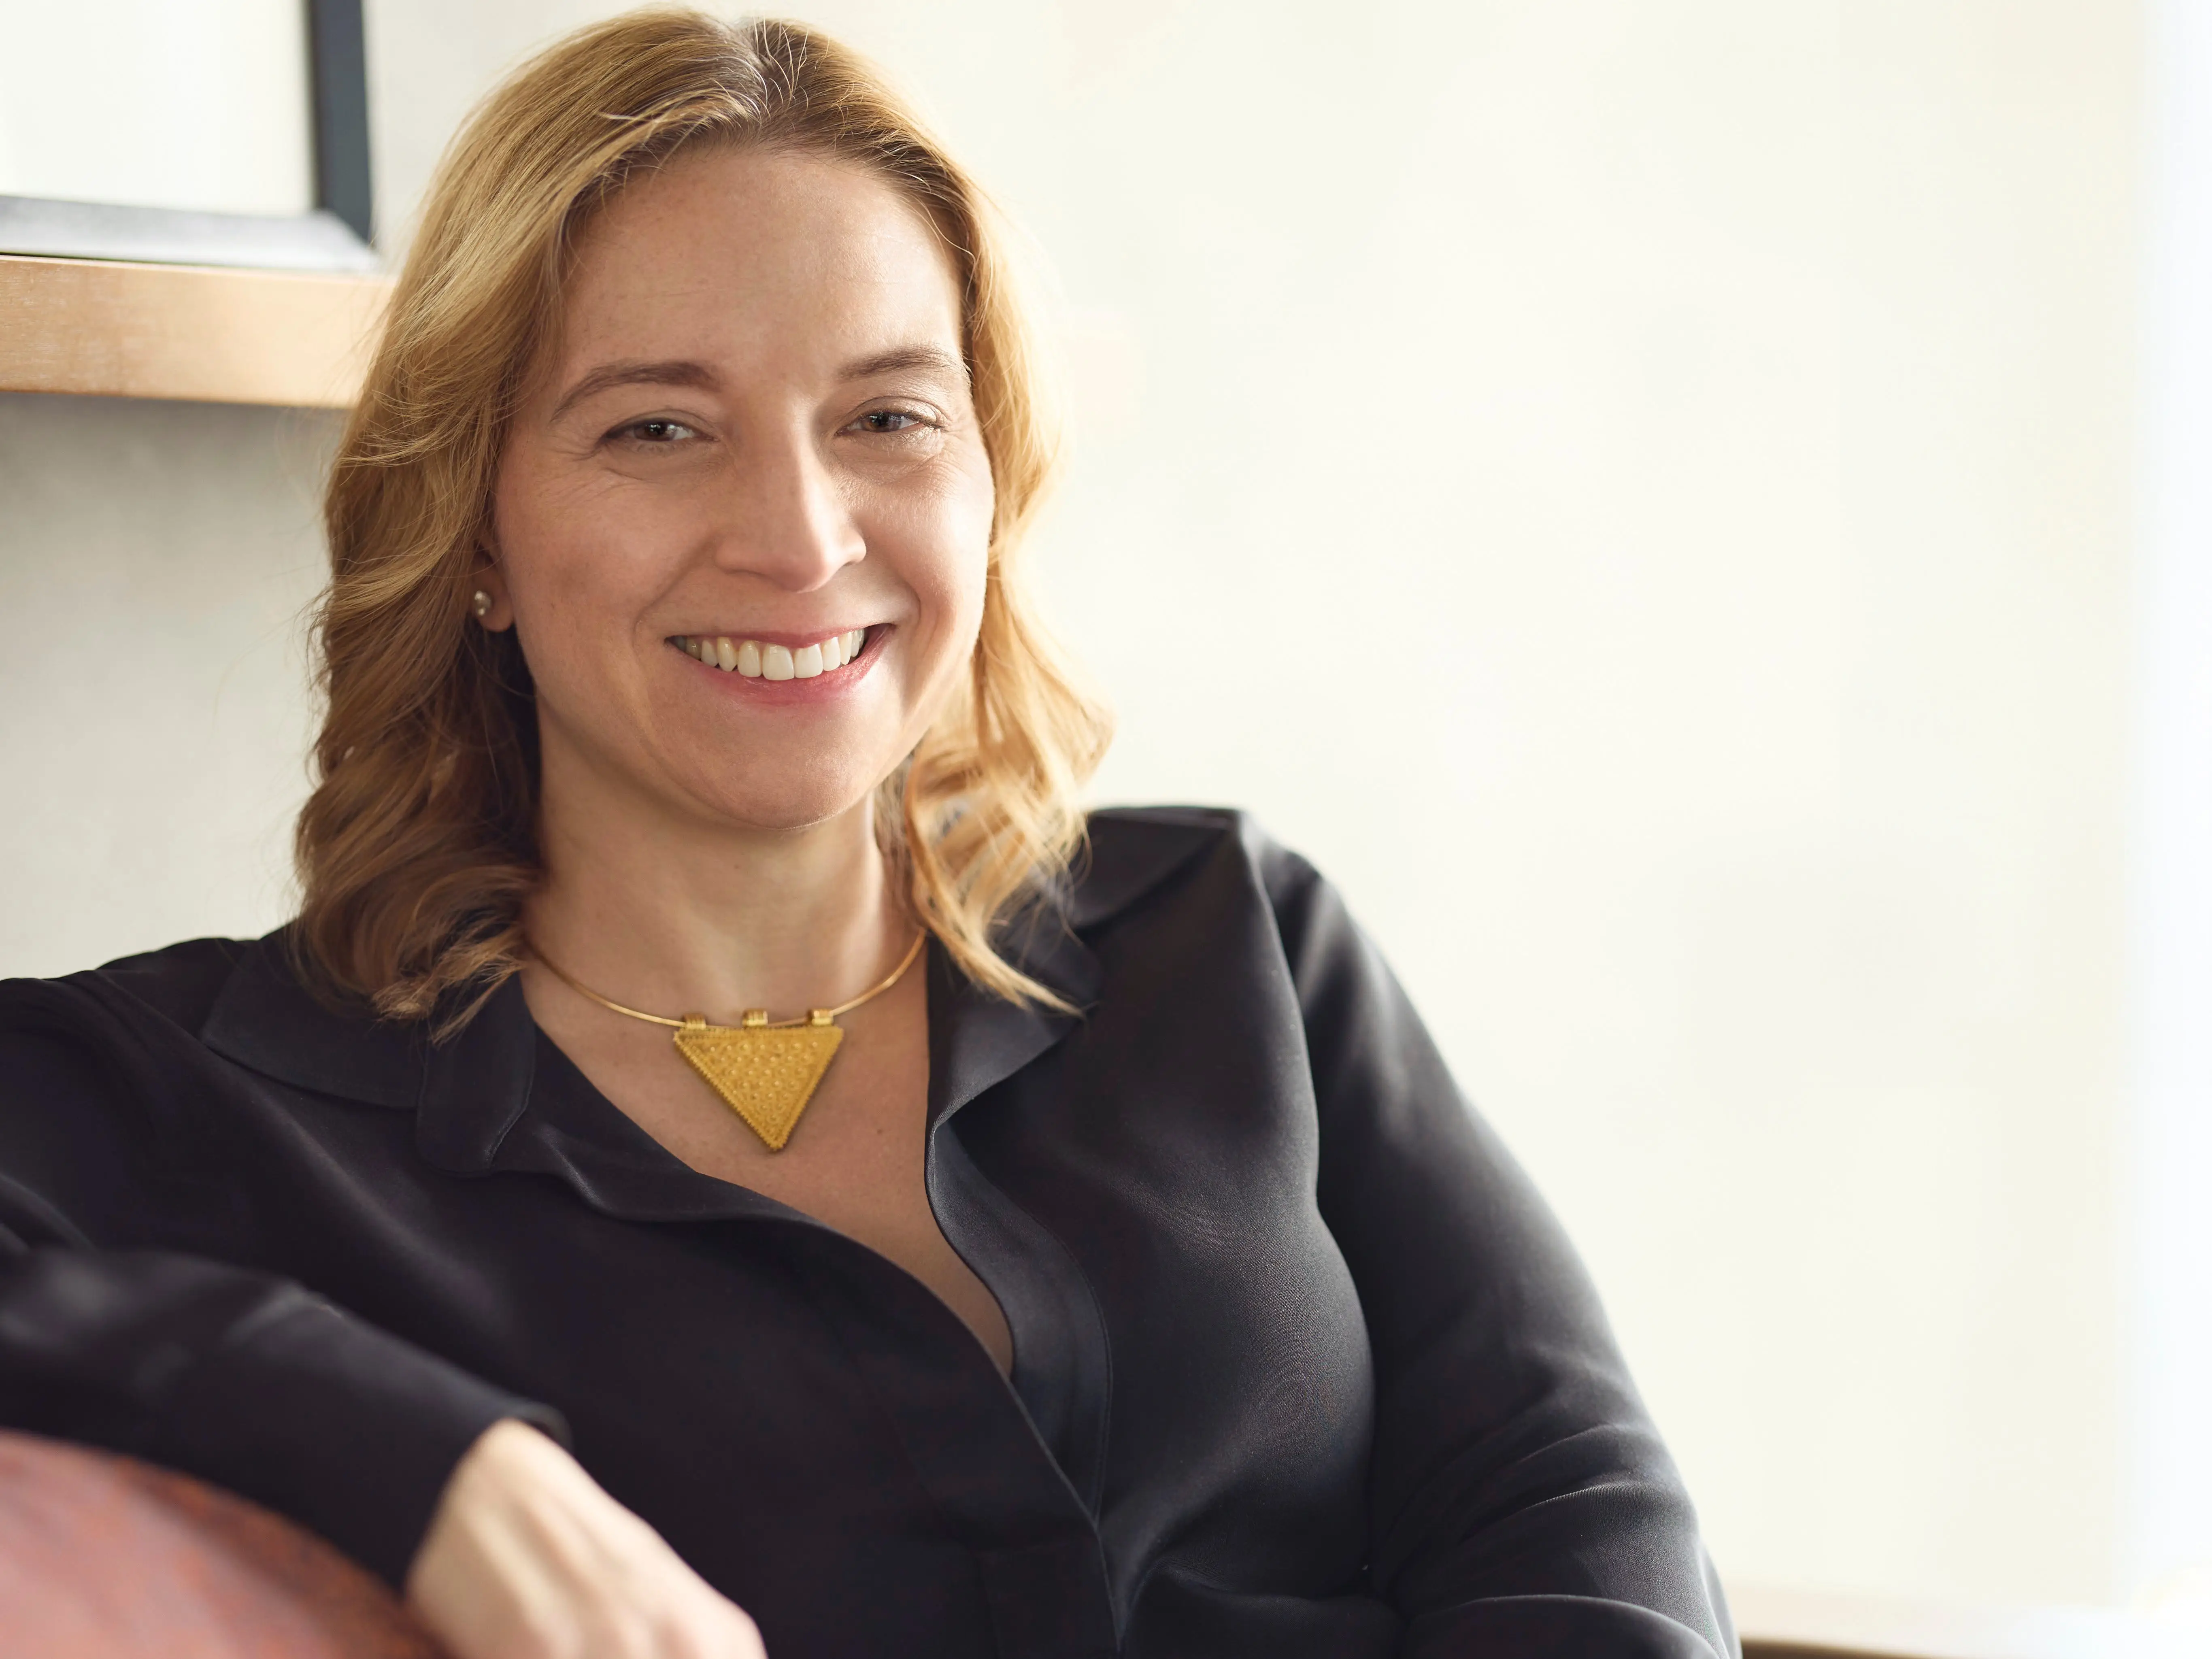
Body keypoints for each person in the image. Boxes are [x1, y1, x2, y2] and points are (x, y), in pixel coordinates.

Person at [0, 12, 1738, 1658]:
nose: (798, 534)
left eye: (887, 417)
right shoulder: (203, 1097)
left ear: (989, 477)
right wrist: (429, 1456)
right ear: (474, 529)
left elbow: (1570, 1504)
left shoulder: (1231, 934)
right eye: (658, 428)